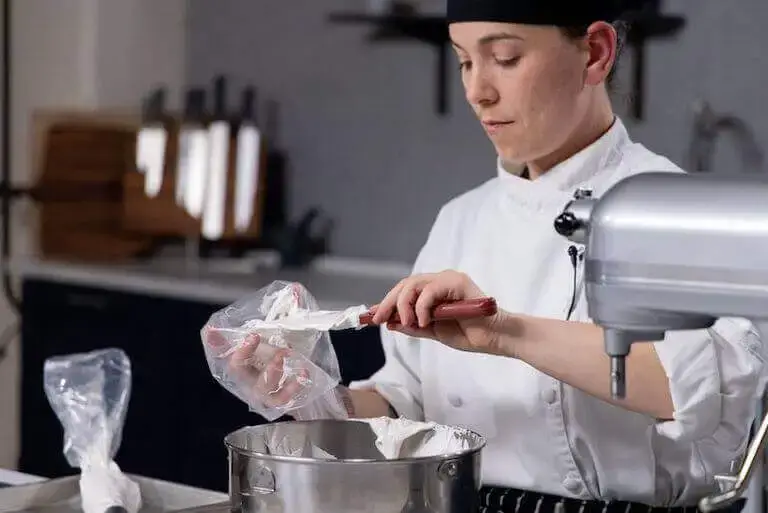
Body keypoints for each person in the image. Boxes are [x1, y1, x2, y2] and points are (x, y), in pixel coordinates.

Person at [220, 1, 767, 512]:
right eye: (463, 62)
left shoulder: (673, 209)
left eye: (505, 57)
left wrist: (505, 331)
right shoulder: (461, 220)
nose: (477, 91)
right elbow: (409, 405)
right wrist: (316, 397)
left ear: (595, 52)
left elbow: (702, 391)